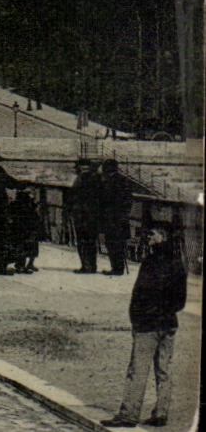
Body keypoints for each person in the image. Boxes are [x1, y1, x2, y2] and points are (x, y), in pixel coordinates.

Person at [102, 225, 187, 427]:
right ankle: (161, 413)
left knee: (137, 370)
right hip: (168, 324)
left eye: (152, 233)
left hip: (148, 325)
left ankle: (129, 414)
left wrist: (139, 318)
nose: (148, 236)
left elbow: (141, 294)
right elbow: (180, 301)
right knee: (164, 369)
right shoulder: (178, 262)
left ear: (162, 237)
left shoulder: (151, 262)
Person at [70, 158, 104, 273]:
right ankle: (92, 266)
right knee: (91, 241)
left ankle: (86, 266)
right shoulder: (98, 179)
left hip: (82, 215)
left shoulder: (81, 179)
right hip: (93, 215)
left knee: (82, 241)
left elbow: (74, 196)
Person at [8, 189, 42, 274]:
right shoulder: (18, 204)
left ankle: (29, 264)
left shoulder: (31, 204)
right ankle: (20, 266)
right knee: (22, 247)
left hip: (30, 228)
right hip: (22, 228)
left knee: (32, 247)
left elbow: (36, 215)